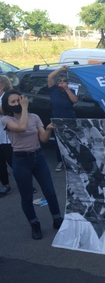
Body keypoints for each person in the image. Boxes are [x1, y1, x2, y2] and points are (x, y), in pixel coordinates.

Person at [1, 90, 63, 240]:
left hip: (38, 157)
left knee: (49, 190)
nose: (17, 103)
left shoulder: (34, 117)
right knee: (27, 195)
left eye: (19, 100)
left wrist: (48, 129)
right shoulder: (6, 120)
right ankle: (34, 224)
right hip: (21, 160)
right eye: (13, 102)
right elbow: (21, 127)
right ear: (7, 105)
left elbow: (42, 139)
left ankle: (57, 218)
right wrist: (23, 108)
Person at [47, 65, 78, 172]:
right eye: (59, 80)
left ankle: (72, 161)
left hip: (69, 119)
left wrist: (66, 88)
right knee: (58, 142)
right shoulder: (53, 89)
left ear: (67, 82)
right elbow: (50, 77)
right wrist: (60, 69)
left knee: (71, 140)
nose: (61, 81)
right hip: (56, 119)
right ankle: (60, 161)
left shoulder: (71, 91)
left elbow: (74, 100)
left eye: (63, 80)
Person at [0, 76, 13, 196]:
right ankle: (6, 185)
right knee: (0, 164)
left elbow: (4, 110)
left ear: (2, 85)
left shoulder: (7, 98)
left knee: (13, 162)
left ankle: (27, 184)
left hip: (7, 137)